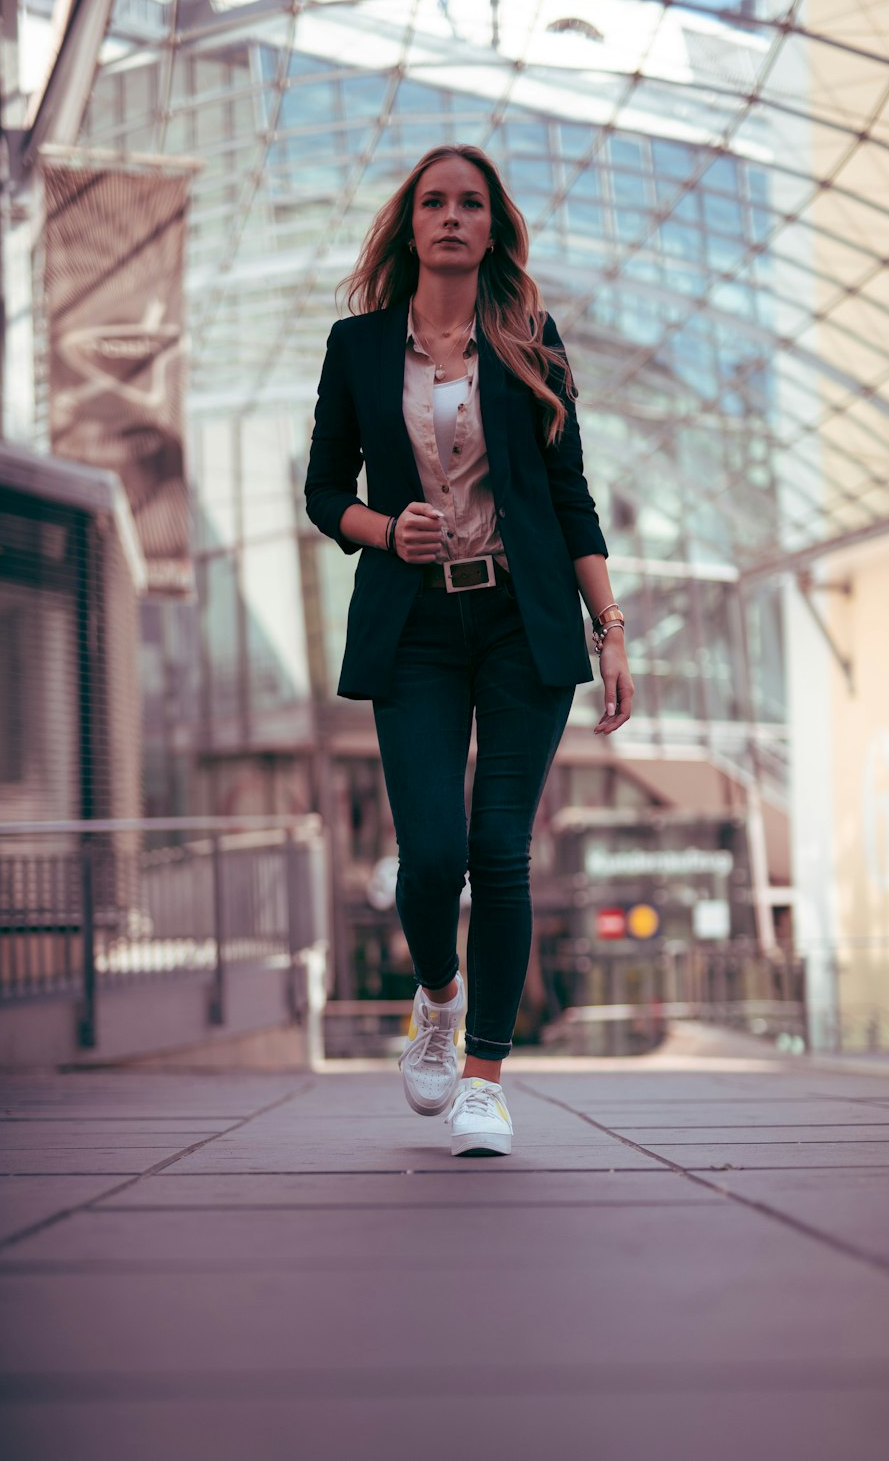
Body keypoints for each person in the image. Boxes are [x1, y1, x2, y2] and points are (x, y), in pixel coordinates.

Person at [305, 144, 633, 1156]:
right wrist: (380, 527)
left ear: (492, 228)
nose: (452, 217)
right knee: (431, 855)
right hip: (414, 628)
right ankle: (437, 997)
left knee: (500, 853)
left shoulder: (532, 339)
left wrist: (610, 628)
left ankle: (484, 1078)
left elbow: (570, 492)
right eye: (434, 203)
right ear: (412, 223)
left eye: (471, 204)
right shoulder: (358, 346)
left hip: (518, 619)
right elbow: (323, 491)